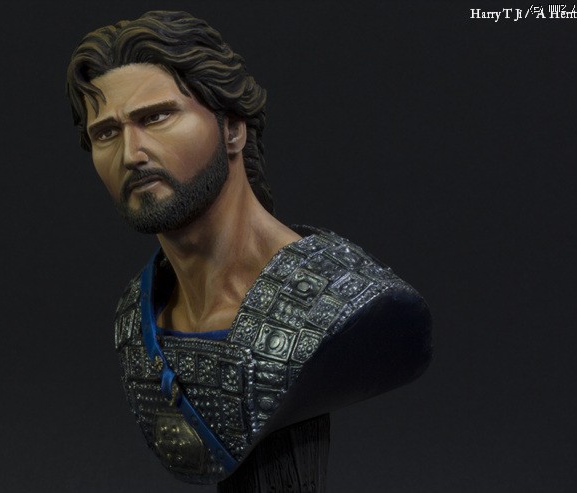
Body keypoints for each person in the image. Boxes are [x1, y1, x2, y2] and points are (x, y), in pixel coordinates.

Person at [66, 10, 432, 490]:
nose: (130, 153)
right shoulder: (137, 315)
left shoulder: (346, 296)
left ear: (232, 129)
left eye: (156, 117)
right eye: (106, 133)